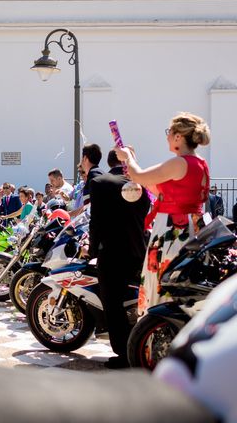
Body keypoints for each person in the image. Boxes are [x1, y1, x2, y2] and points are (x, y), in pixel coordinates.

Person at [116, 112, 211, 316]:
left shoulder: (179, 163)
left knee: (164, 283)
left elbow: (139, 176)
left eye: (169, 133)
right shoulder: (199, 163)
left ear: (179, 136)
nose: (167, 137)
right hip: (191, 227)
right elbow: (160, 190)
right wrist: (133, 167)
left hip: (172, 229)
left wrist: (128, 158)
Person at [89, 149, 150, 368]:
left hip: (112, 252)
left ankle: (124, 353)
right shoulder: (141, 184)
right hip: (138, 251)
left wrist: (92, 250)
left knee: (112, 303)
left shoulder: (100, 182)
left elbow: (95, 221)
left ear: (109, 161)